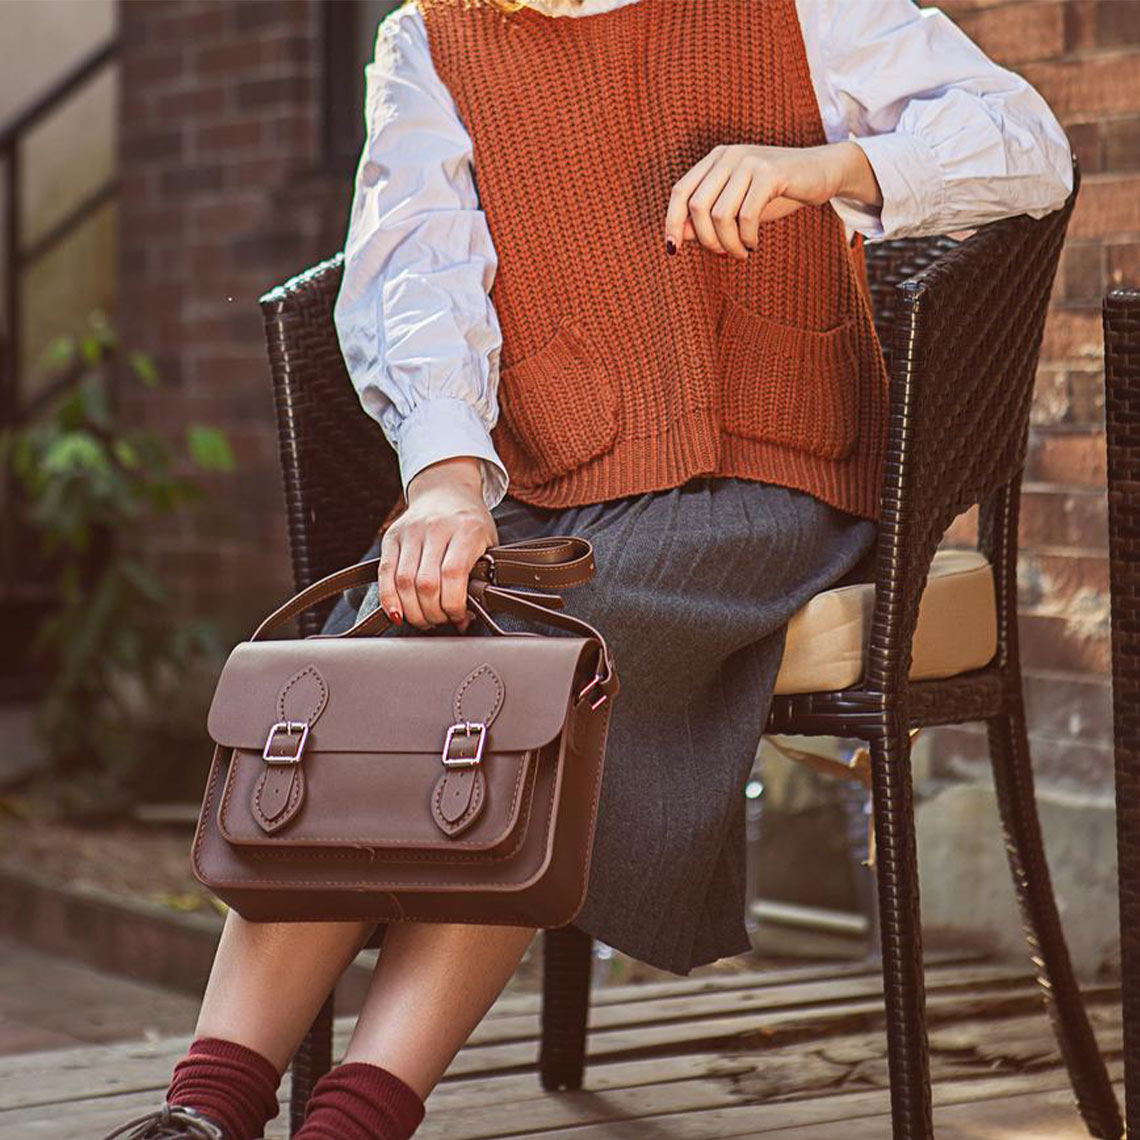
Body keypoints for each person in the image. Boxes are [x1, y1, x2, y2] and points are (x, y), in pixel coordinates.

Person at [106, 1, 1074, 1137]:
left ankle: (355, 1121)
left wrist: (826, 168)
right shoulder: (432, 38)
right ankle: (203, 1112)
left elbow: (1030, 145)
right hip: (540, 482)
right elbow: (417, 273)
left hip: (764, 472)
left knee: (536, 675)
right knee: (372, 659)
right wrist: (447, 482)